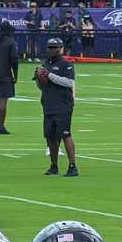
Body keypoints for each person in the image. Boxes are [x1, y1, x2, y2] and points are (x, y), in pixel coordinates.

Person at [35, 38, 78, 177]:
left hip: (63, 105)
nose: (52, 49)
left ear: (60, 48)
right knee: (50, 137)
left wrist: (49, 75)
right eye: (50, 47)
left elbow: (69, 82)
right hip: (48, 104)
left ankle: (72, 166)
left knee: (65, 134)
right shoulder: (45, 63)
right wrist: (39, 78)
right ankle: (54, 166)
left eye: (55, 47)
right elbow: (41, 86)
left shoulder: (66, 64)